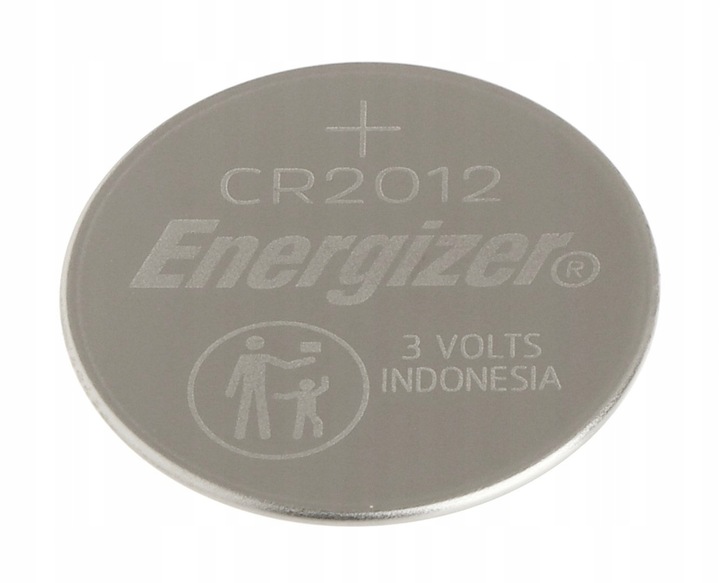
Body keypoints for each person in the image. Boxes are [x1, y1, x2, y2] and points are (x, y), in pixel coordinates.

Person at [226, 335, 315, 440]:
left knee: (254, 407)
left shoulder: (257, 357)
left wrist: (305, 361)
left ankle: (254, 434)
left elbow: (286, 365)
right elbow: (236, 374)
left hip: (258, 387)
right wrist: (230, 390)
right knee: (251, 407)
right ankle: (250, 434)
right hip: (252, 386)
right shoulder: (249, 358)